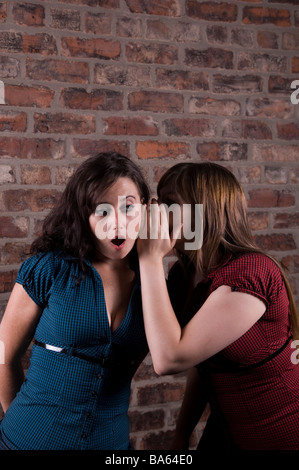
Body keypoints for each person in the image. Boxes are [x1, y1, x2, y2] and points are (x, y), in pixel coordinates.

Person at [137, 161, 299, 450]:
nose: (157, 212)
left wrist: (149, 259)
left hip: (281, 433)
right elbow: (204, 363)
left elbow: (168, 359)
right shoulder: (182, 274)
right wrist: (181, 432)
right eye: (159, 201)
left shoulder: (251, 272)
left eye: (170, 203)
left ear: (206, 213)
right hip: (225, 432)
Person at [0, 152, 150, 450]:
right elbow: (2, 355)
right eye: (102, 211)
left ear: (146, 211)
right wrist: (21, 420)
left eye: (129, 208)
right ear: (83, 214)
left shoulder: (154, 287)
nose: (117, 223)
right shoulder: (49, 269)